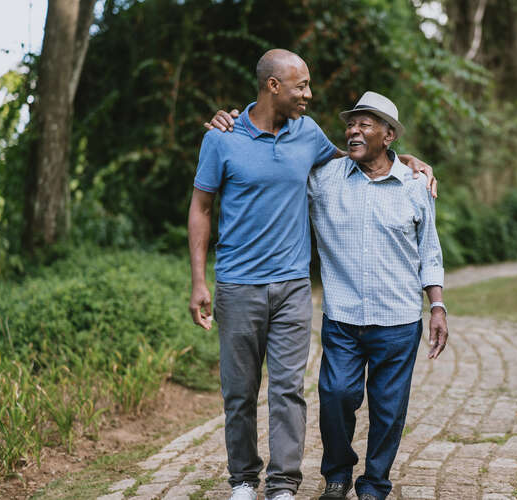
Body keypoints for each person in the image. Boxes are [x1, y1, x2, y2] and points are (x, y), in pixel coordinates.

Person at [189, 49, 434, 500]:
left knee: (288, 391)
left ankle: (283, 485)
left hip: (293, 287)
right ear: (272, 86)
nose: (309, 93)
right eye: (300, 85)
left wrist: (407, 160)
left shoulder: (308, 134)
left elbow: (358, 158)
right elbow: (201, 207)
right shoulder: (221, 139)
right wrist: (200, 281)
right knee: (239, 393)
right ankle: (243, 479)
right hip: (237, 285)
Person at [308, 92, 448, 500]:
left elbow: (430, 252)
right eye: (351, 123)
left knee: (388, 411)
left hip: (399, 319)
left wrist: (436, 305)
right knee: (335, 396)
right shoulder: (323, 180)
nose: (353, 130)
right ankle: (337, 475)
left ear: (388, 136)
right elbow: (275, 167)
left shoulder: (415, 186)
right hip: (343, 317)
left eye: (365, 124)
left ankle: (374, 485)